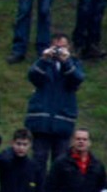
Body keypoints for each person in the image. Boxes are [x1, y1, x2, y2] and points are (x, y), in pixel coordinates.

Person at [23, 34, 85, 173]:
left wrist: (66, 62)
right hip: (41, 122)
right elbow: (32, 76)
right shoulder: (43, 63)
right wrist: (44, 59)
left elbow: (77, 79)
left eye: (63, 47)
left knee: (60, 163)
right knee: (38, 161)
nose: (59, 51)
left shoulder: (74, 63)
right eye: (56, 47)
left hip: (63, 121)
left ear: (68, 48)